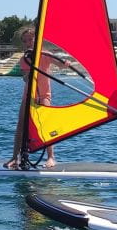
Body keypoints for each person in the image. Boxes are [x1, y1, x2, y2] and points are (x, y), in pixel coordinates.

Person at [5, 26, 69, 169]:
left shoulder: (45, 54)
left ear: (37, 39)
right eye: (25, 41)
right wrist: (29, 71)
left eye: (31, 39)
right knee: (20, 125)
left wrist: (64, 64)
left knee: (45, 125)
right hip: (29, 96)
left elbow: (60, 65)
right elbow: (25, 79)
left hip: (44, 95)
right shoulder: (24, 59)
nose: (29, 42)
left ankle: (51, 157)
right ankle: (15, 157)